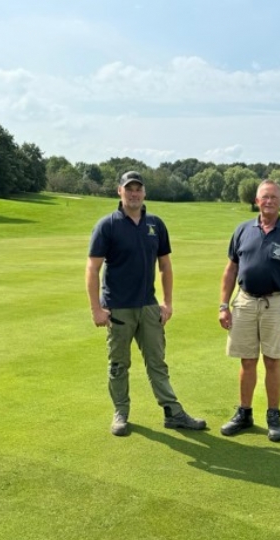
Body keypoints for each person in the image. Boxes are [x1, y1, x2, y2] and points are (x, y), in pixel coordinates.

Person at [86, 171, 206, 436]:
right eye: (129, 188)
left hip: (148, 306)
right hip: (118, 308)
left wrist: (167, 302)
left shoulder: (155, 224)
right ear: (119, 191)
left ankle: (173, 413)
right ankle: (121, 413)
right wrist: (96, 309)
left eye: (138, 189)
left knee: (157, 363)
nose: (134, 193)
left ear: (144, 192)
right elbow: (92, 268)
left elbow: (165, 265)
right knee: (119, 364)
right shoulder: (107, 225)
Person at [217, 179, 280, 442]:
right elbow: (231, 270)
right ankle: (244, 413)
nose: (269, 201)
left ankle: (273, 416)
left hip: (276, 303)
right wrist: (223, 305)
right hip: (244, 302)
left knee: (272, 360)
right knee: (247, 360)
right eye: (264, 197)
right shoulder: (243, 230)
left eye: (274, 197)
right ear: (256, 201)